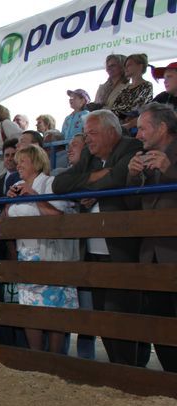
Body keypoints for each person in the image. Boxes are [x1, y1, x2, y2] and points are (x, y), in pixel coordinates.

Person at [53, 110, 149, 367]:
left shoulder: (132, 146)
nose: (88, 140)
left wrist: (86, 187)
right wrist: (96, 182)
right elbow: (60, 184)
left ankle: (133, 371)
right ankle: (118, 370)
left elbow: (120, 178)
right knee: (103, 318)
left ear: (111, 131)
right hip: (93, 252)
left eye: (92, 133)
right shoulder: (89, 155)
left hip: (123, 249)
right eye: (85, 134)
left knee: (124, 316)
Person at [6, 145, 79, 352]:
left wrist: (34, 196)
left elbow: (57, 216)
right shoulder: (17, 185)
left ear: (36, 162)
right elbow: (5, 219)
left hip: (50, 252)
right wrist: (8, 201)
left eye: (23, 161)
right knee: (30, 307)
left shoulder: (50, 183)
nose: (18, 165)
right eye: (17, 161)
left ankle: (55, 356)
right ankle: (35, 354)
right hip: (25, 254)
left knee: (55, 307)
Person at [127, 102, 177, 372]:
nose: (138, 135)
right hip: (153, 254)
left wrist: (170, 170)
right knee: (159, 321)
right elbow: (134, 207)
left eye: (143, 128)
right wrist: (133, 178)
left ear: (162, 127)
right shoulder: (144, 158)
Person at [112, 54, 153, 127]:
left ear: (140, 66)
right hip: (118, 122)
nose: (126, 68)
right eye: (125, 66)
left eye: (129, 65)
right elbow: (114, 106)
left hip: (134, 125)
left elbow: (138, 106)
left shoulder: (147, 85)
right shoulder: (125, 89)